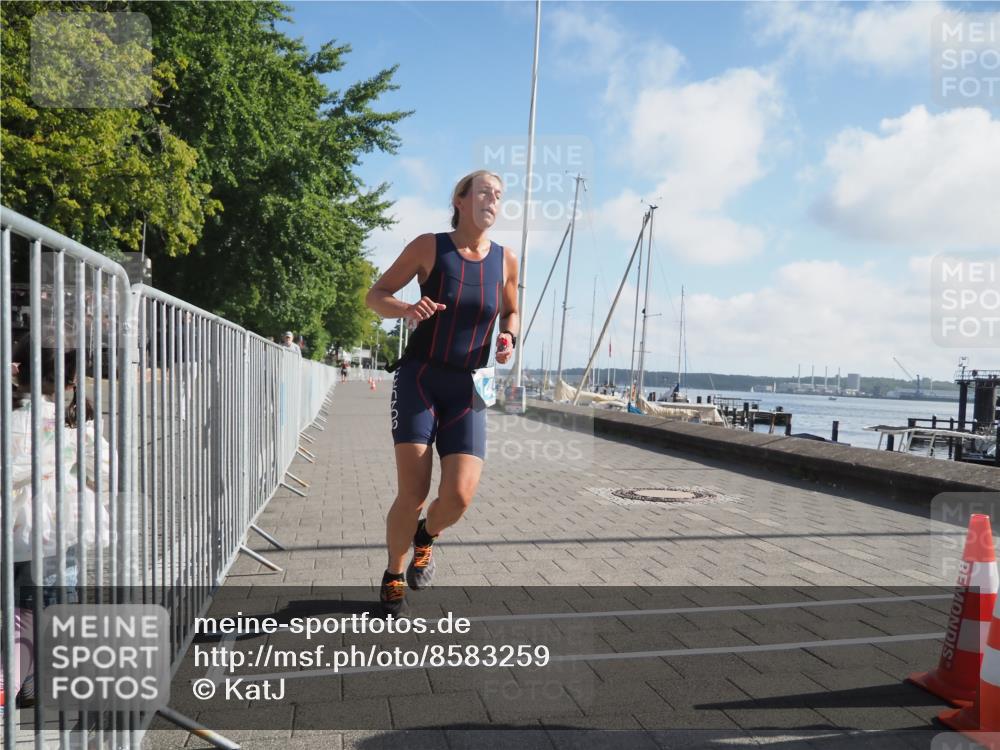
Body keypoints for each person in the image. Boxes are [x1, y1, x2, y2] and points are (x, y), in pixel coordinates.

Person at [365, 170, 519, 615]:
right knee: (412, 493)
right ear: (461, 198)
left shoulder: (507, 260)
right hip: (421, 377)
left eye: (499, 195)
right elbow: (375, 296)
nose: (494, 200)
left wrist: (508, 339)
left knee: (459, 496)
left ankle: (425, 537)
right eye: (486, 192)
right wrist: (408, 308)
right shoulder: (429, 246)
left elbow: (511, 313)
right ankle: (394, 573)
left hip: (475, 383)